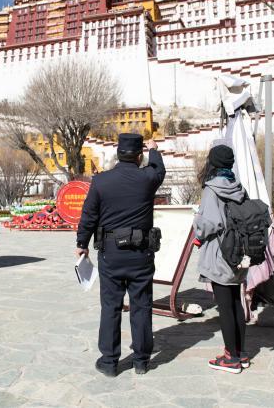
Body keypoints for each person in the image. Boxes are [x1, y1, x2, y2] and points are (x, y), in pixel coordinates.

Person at [76, 133, 166, 377]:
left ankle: (109, 362)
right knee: (141, 305)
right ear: (139, 156)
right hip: (141, 254)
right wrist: (154, 150)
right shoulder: (147, 178)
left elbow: (89, 215)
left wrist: (82, 242)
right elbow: (159, 170)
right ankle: (141, 360)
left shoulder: (101, 181)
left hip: (111, 254)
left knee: (111, 307)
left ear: (118, 154)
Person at [193, 144, 251, 374]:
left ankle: (230, 358)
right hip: (239, 254)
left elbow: (209, 223)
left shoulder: (212, 189)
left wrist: (196, 221)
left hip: (220, 254)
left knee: (225, 307)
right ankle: (241, 353)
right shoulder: (238, 186)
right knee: (236, 302)